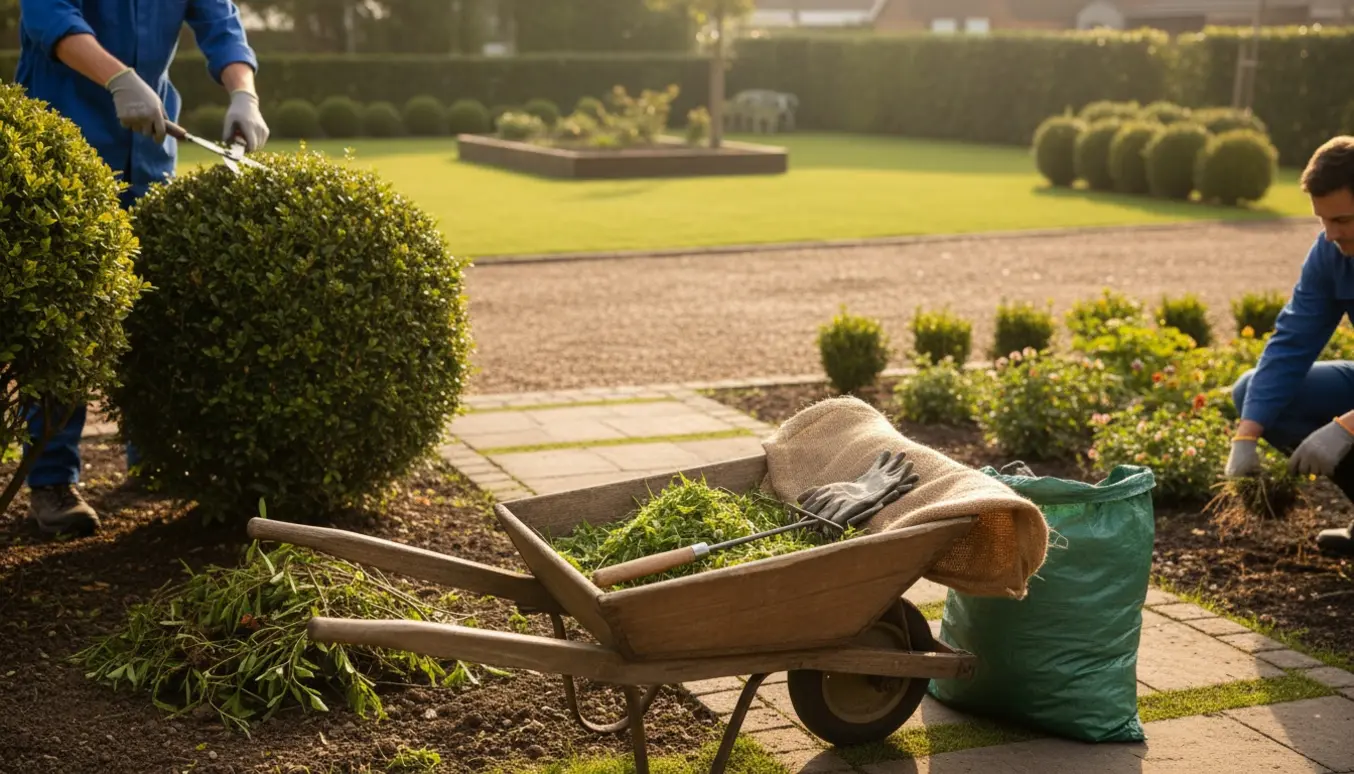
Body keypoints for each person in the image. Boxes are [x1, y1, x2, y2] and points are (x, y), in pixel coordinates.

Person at [15, 1, 269, 536]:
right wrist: (119, 78)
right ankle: (51, 481)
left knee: (152, 314)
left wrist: (243, 92)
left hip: (148, 160)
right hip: (64, 163)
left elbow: (221, 25)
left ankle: (150, 454)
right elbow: (48, 18)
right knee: (65, 328)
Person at [1227, 135, 1354, 557]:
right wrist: (1245, 438)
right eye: (1324, 221)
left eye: (1344, 220)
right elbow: (1292, 341)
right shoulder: (1332, 252)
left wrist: (1347, 426)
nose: (1332, 234)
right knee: (1253, 394)